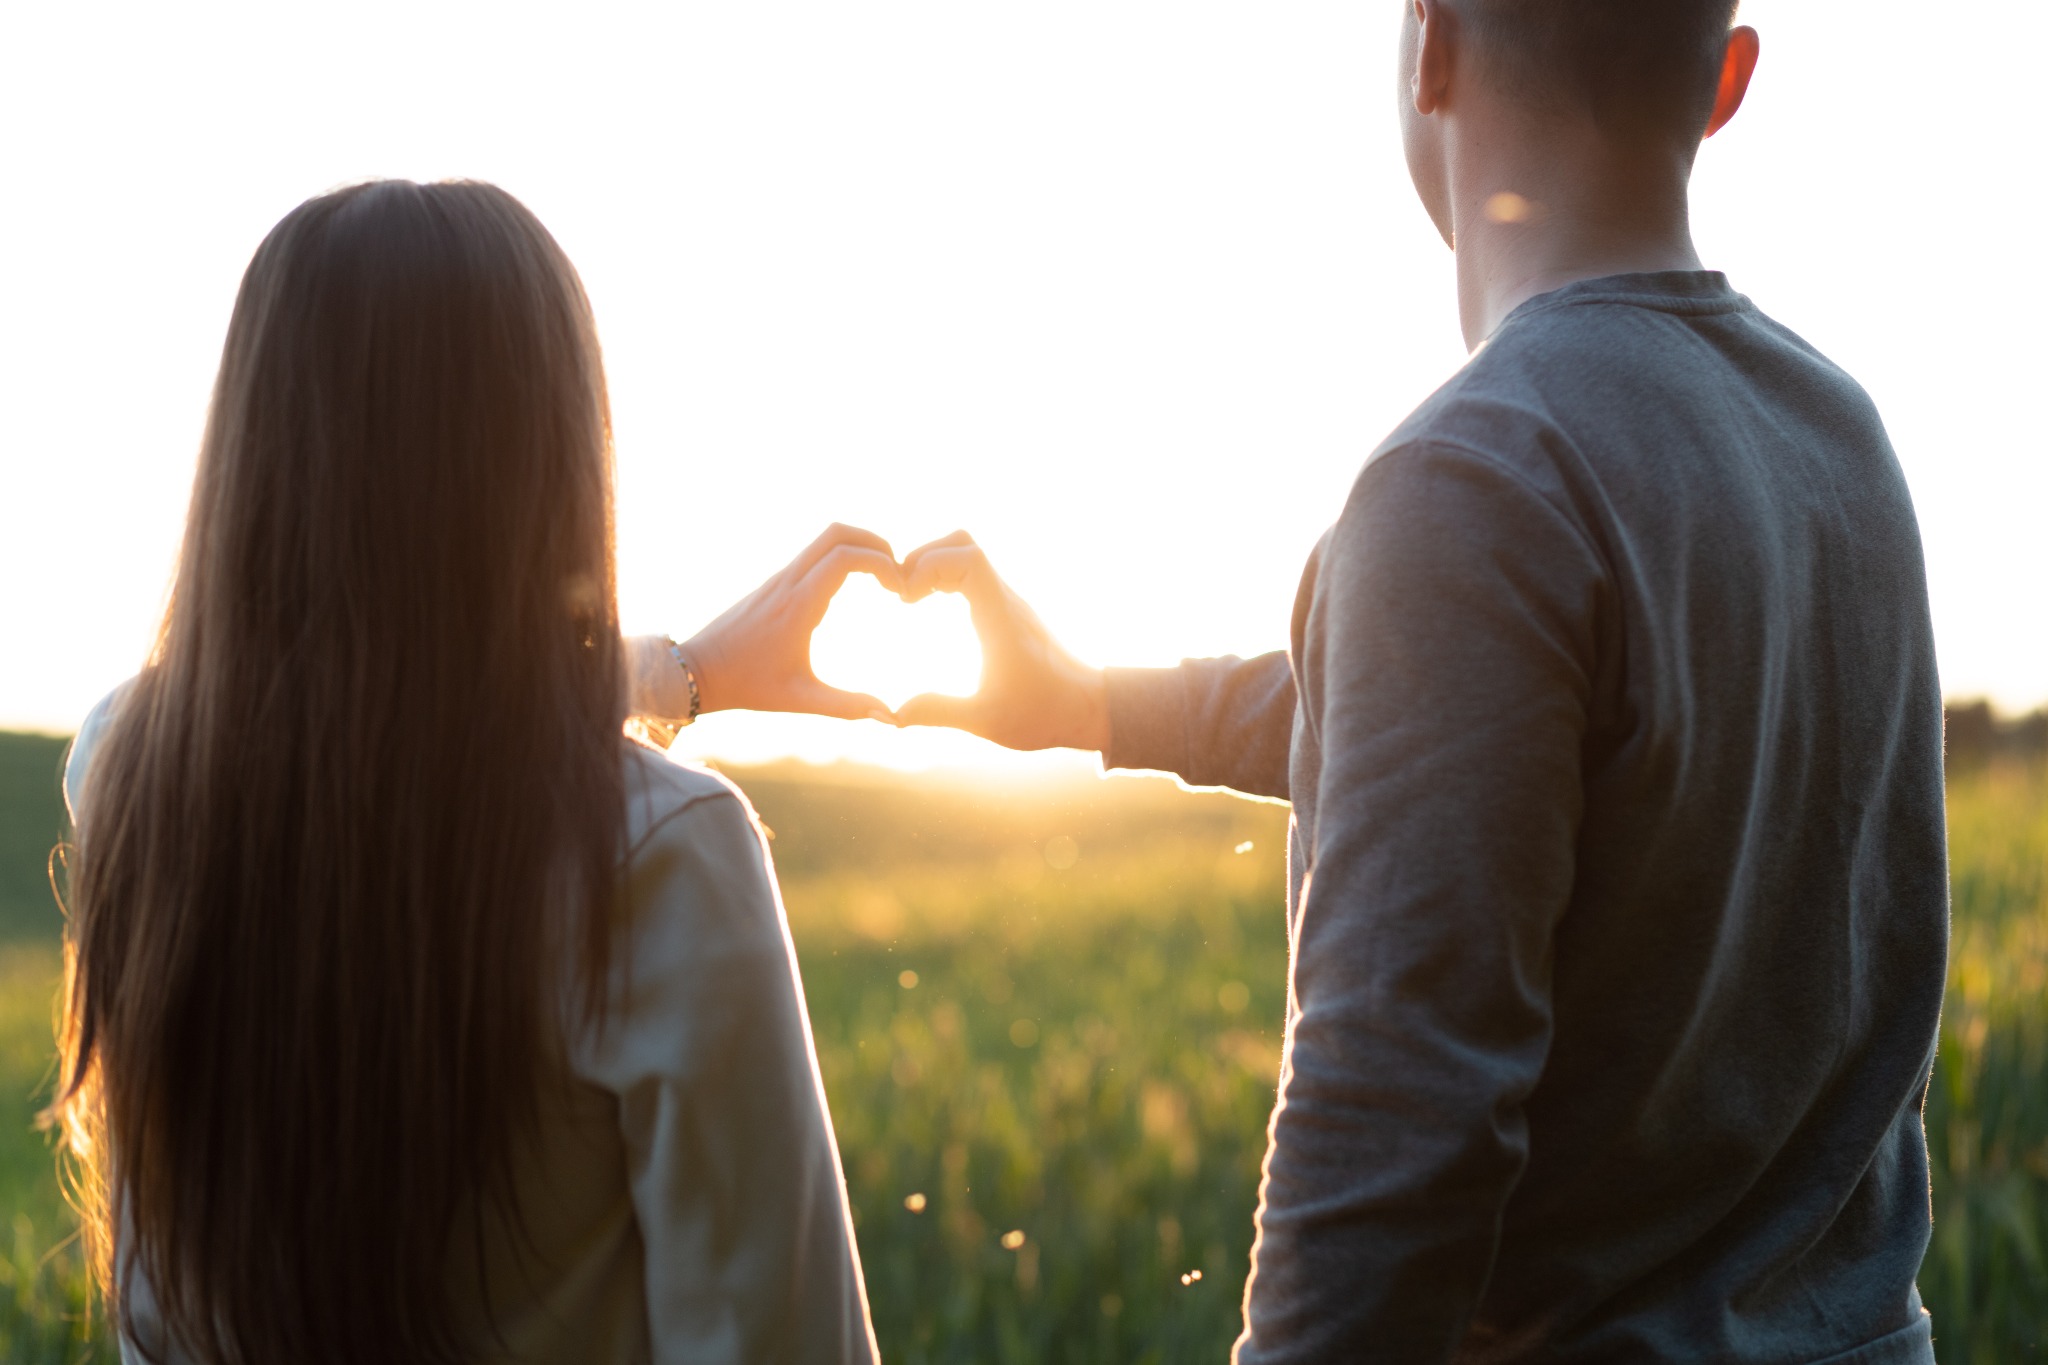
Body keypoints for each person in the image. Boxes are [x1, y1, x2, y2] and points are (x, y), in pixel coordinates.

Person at [887, 2, 1949, 1361]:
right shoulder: (1836, 437)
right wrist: (1090, 703)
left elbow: (1390, 1144)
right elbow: (1509, 743)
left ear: (1433, 48)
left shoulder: (1479, 480)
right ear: (1728, 82)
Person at [53, 179, 903, 1365]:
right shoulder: (661, 855)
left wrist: (682, 671)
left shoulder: (129, 775)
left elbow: (364, 711)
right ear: (554, 454)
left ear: (252, 457)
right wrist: (671, 675)